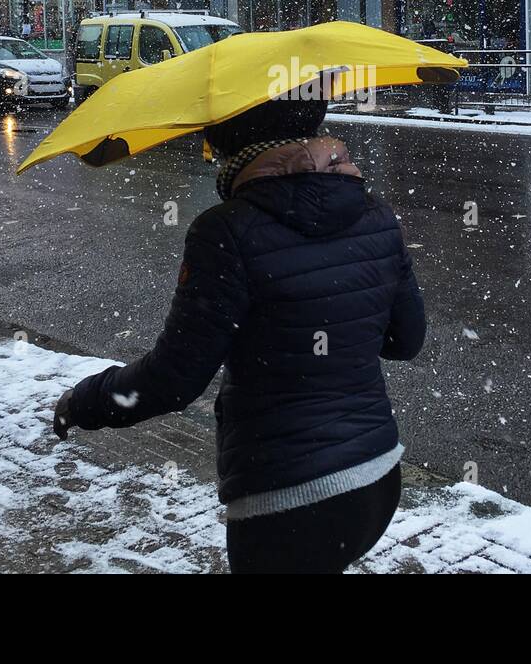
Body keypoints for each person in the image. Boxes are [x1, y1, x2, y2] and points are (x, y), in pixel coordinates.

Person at [51, 96, 426, 573]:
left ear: (230, 139)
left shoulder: (226, 231)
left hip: (287, 499)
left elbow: (174, 379)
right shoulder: (376, 214)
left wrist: (84, 401)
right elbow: (405, 339)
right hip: (375, 478)